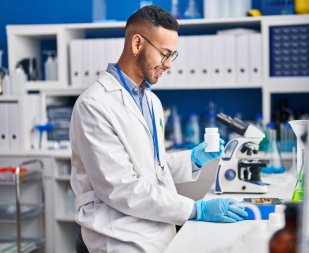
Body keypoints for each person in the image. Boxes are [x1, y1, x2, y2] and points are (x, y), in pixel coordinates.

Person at [70, 5, 247, 253]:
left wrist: (193, 159)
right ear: (137, 44)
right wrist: (197, 209)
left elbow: (151, 169)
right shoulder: (94, 105)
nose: (169, 65)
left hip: (157, 230)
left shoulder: (149, 100)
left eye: (172, 55)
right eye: (164, 53)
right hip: (120, 238)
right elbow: (121, 188)